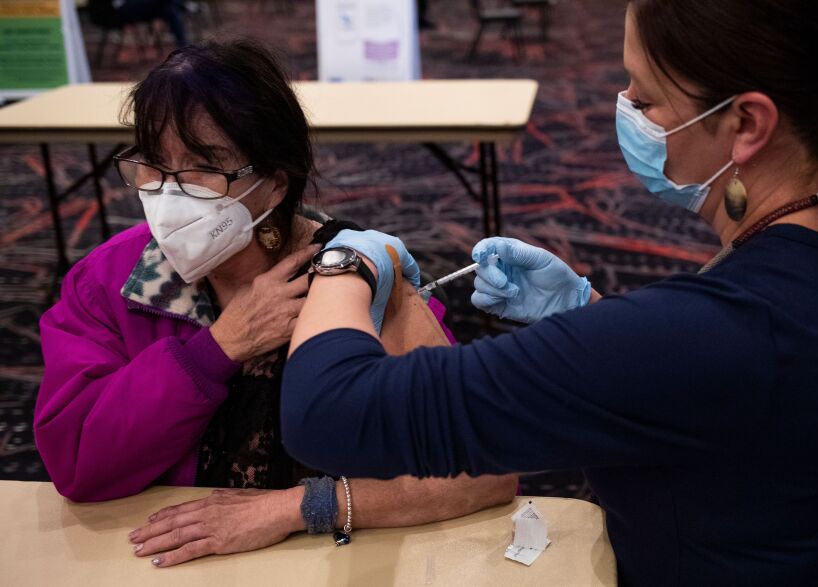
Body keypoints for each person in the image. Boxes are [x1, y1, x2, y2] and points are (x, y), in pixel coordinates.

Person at [280, 1, 818, 585]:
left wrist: (345, 259)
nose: (625, 111)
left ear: (747, 123)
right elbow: (723, 405)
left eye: (645, 100)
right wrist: (587, 315)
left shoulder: (725, 333)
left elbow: (329, 413)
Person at [34, 41, 516, 567]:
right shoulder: (111, 279)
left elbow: (479, 471)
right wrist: (213, 353)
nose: (169, 194)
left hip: (332, 564)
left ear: (274, 184)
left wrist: (297, 507)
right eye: (154, 166)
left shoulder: (353, 275)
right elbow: (77, 461)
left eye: (204, 167)